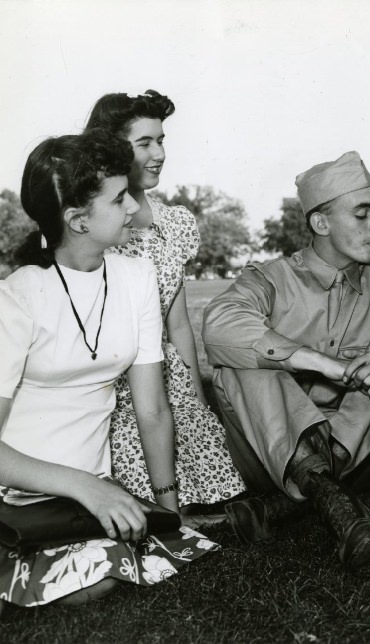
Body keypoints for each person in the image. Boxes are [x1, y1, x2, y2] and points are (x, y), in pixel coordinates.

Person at [202, 151, 370, 569]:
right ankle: (334, 503)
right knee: (248, 359)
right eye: (362, 214)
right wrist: (313, 360)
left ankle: (309, 495)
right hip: (268, 455)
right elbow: (219, 324)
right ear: (321, 223)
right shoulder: (269, 277)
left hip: (357, 454)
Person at [0, 130, 215, 608]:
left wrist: (168, 511)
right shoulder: (17, 298)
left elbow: (153, 408)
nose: (135, 210)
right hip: (17, 499)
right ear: (78, 220)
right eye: (119, 200)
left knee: (126, 561)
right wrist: (87, 487)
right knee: (101, 578)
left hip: (88, 503)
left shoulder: (135, 276)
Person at [85, 90, 246, 511]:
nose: (159, 153)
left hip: (164, 372)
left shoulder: (172, 223)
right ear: (114, 150)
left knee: (206, 481)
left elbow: (178, 325)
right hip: (111, 376)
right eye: (145, 143)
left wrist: (195, 397)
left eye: (161, 141)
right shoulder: (94, 222)